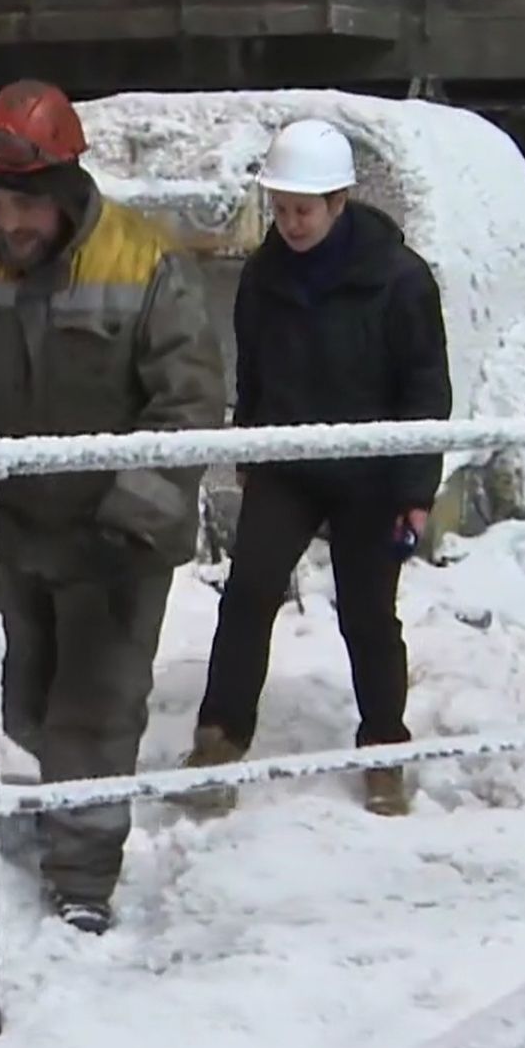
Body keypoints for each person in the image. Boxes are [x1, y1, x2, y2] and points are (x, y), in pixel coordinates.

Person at [0, 79, 226, 935]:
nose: (12, 223)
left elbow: (188, 402)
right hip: (11, 523)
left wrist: (133, 512)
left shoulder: (145, 263)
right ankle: (70, 782)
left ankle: (82, 876)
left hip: (117, 537)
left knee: (96, 705)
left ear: (68, 192)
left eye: (27, 205)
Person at [184, 118, 451, 819]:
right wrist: (251, 447)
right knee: (248, 594)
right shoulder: (263, 274)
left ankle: (384, 746)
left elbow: (426, 389)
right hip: (289, 463)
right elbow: (257, 367)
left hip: (369, 473)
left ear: (338, 202)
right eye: (280, 208)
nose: (291, 223)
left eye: (304, 209)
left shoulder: (400, 281)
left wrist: (415, 489)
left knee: (367, 613)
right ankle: (219, 736)